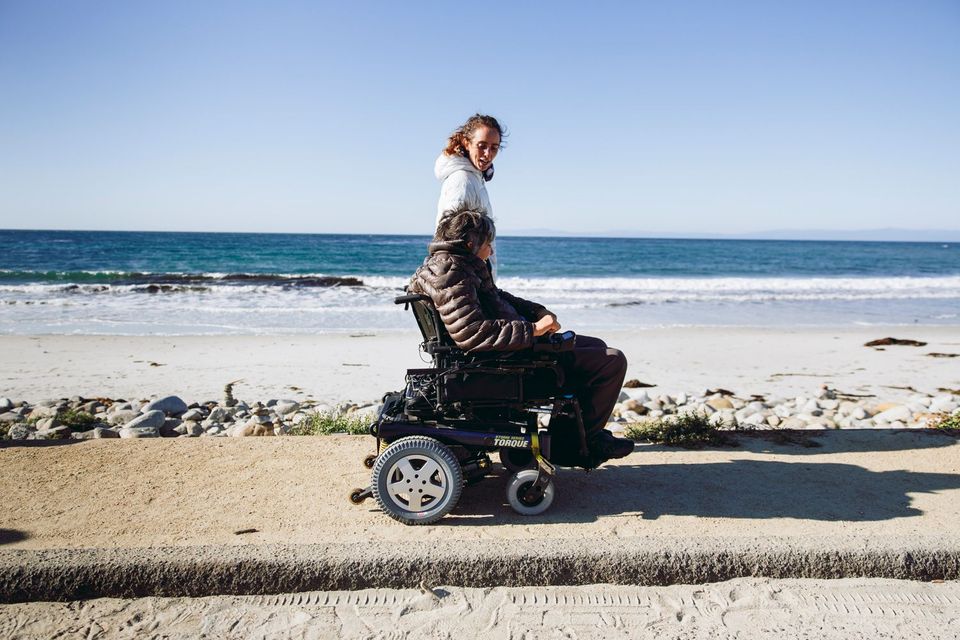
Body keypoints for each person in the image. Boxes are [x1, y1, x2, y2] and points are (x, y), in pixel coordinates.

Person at [408, 208, 634, 465]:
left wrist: (536, 311)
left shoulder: (457, 265)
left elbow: (497, 297)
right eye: (488, 243)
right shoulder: (451, 272)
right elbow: (471, 333)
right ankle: (572, 447)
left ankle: (576, 436)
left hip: (508, 348)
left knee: (596, 347)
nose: (491, 251)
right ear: (471, 243)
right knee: (612, 361)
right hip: (502, 362)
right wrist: (533, 330)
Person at [435, 114, 504, 276]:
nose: (488, 154)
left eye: (494, 147)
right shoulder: (463, 181)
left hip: (474, 279)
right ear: (467, 143)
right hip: (466, 282)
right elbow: (451, 243)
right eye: (482, 146)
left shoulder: (476, 179)